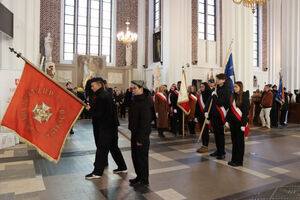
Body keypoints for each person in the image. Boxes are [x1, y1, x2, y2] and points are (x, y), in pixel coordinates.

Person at [85, 78, 127, 179]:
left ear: (99, 85)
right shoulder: (104, 94)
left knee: (101, 148)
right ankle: (122, 167)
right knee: (113, 147)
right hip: (111, 125)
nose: (91, 87)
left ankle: (97, 172)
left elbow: (99, 114)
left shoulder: (101, 96)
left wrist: (90, 110)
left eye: (93, 85)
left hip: (105, 126)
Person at [128, 80, 153, 187]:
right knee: (135, 157)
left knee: (142, 158)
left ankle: (144, 180)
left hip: (141, 136)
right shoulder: (136, 99)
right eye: (132, 88)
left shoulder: (145, 102)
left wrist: (140, 139)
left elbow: (145, 123)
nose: (133, 90)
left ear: (142, 88)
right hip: (135, 133)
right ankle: (139, 176)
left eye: (135, 88)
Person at [205, 73, 231, 160]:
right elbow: (210, 100)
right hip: (214, 114)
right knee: (216, 134)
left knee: (220, 134)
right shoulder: (217, 88)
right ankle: (218, 150)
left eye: (218, 79)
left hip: (220, 115)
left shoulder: (226, 90)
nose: (217, 81)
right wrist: (206, 111)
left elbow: (220, 103)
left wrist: (215, 96)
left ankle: (222, 152)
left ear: (223, 80)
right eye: (217, 79)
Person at [226, 82, 250, 167]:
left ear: (240, 87)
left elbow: (245, 112)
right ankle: (234, 159)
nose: (234, 88)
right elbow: (230, 110)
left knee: (239, 143)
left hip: (240, 124)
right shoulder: (233, 96)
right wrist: (227, 120)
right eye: (234, 87)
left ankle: (239, 161)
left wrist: (243, 124)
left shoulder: (244, 97)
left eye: (236, 87)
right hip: (233, 123)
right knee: (234, 142)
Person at [195, 82, 212, 153]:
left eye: (202, 87)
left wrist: (208, 117)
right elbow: (197, 105)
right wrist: (196, 116)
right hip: (200, 116)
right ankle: (203, 144)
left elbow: (210, 106)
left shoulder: (209, 94)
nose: (201, 88)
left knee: (205, 131)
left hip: (206, 116)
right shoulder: (200, 95)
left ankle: (206, 145)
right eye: (201, 86)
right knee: (202, 131)